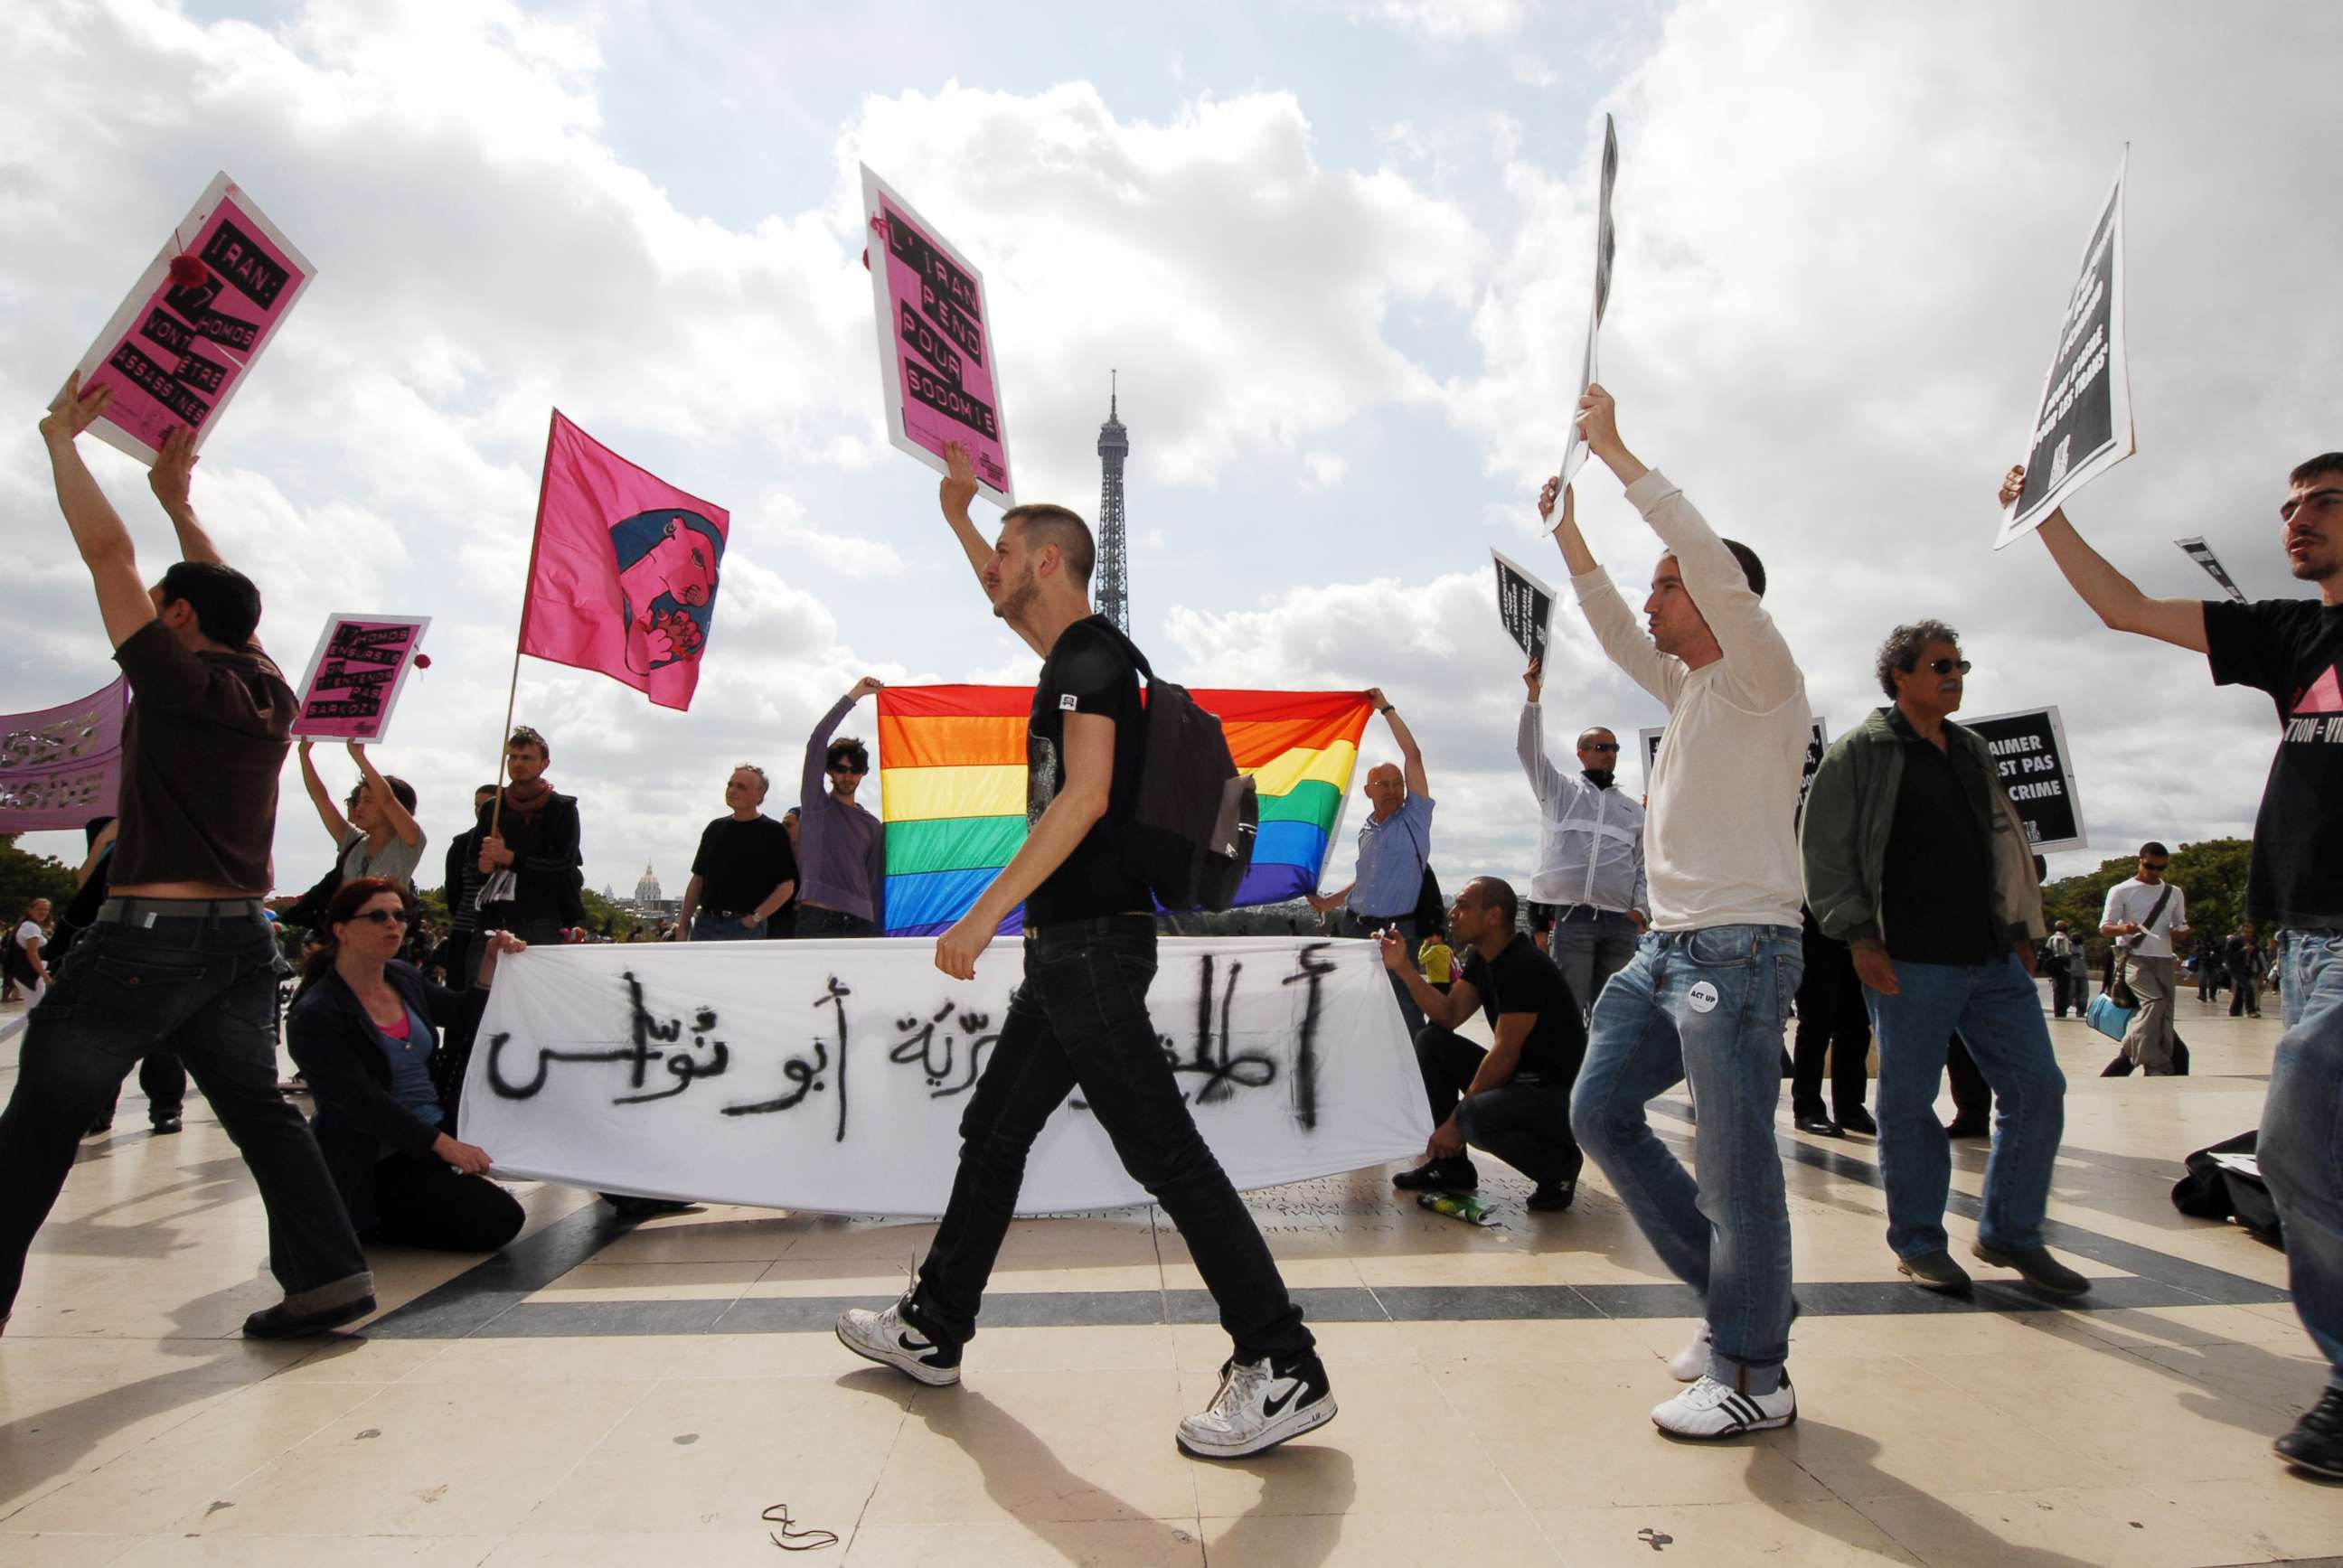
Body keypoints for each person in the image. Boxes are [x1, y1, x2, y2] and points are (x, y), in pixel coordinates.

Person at [836, 440, 1332, 1460]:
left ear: (1050, 564)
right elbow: (1002, 590)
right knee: (995, 1129)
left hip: (1090, 953)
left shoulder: (1089, 663)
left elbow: (1087, 796)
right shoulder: (1081, 655)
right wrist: (957, 516)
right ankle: (933, 1327)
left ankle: (1282, 1361)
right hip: (1074, 952)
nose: (994, 571)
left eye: (1008, 553)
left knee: (1166, 1155)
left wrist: (984, 914)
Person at [0, 383, 372, 1339]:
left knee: (36, 1128)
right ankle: (328, 1276)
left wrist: (61, 440)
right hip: (242, 943)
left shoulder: (172, 679)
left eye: (164, 607)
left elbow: (105, 554)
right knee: (261, 1112)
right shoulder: (271, 691)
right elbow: (229, 605)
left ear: (172, 621)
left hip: (144, 942)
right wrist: (180, 502)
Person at [2007, 452, 2343, 1478]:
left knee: (2292, 1142)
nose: (2295, 522)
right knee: (2303, 1155)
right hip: (2314, 938)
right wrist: (2045, 515)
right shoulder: (2294, 632)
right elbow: (2122, 608)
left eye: (2324, 504)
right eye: (2287, 508)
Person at [1545, 383, 1809, 1439]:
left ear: (1721, 595)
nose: (1653, 598)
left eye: (1670, 584)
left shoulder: (1760, 674)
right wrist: (1569, 535)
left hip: (1741, 953)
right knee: (1598, 1111)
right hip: (1666, 951)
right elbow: (1611, 625)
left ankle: (1756, 1368)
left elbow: (1694, 545)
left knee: (1737, 1170)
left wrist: (1616, 456)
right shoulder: (1691, 687)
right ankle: (1740, 1303)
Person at [1802, 621, 2084, 1297]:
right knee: (1907, 1103)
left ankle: (2012, 1232)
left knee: (2037, 1088)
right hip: (1909, 961)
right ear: (1900, 675)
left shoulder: (1970, 747)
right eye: (1940, 665)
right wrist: (1859, 936)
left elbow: (2002, 841)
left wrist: (2020, 924)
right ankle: (1921, 1242)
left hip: (1991, 957)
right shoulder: (1860, 752)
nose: (1955, 675)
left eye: (1960, 664)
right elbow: (1823, 850)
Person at [285, 878, 527, 1253]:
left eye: (400, 915)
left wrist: (490, 964)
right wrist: (445, 1146)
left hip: (434, 1127)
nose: (393, 925)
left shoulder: (402, 977)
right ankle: (370, 1217)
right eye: (378, 916)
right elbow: (363, 1104)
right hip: (379, 1152)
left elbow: (462, 1013)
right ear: (341, 930)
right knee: (499, 1220)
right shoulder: (317, 1014)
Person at [1378, 876, 1587, 1211]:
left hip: (1557, 1095)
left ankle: (1557, 1168)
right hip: (1522, 1080)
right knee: (1432, 1040)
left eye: (1463, 905)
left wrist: (1454, 1124)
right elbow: (1448, 1015)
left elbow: (1504, 1054)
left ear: (1493, 916)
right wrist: (1403, 967)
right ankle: (1451, 1168)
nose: (1452, 913)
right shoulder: (1485, 958)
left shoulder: (1523, 965)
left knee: (1474, 1118)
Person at [1518, 653, 1649, 1019]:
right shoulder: (1559, 791)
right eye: (1600, 747)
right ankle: (1568, 1074)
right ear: (1581, 753)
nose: (1609, 754)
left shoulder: (1632, 809)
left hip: (1619, 923)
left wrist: (1640, 910)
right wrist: (1533, 699)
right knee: (1568, 1009)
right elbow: (1528, 752)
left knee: (1614, 1014)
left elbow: (1642, 865)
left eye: (1614, 749)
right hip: (1572, 919)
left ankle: (1603, 1075)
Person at [1305, 692, 1434, 1040]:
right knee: (1353, 1007)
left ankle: (1422, 1079)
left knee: (1406, 1011)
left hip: (1397, 932)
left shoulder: (1415, 818)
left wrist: (1386, 709)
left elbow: (1413, 755)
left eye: (1398, 784)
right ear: (1367, 790)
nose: (1393, 790)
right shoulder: (1366, 829)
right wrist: (1330, 902)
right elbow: (1367, 880)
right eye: (1384, 784)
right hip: (1355, 928)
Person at [476, 727, 584, 948]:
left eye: (526, 758)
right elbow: (471, 857)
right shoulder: (493, 808)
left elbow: (564, 864)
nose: (517, 764)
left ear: (544, 764)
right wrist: (483, 864)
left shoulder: (561, 808)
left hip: (542, 916)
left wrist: (511, 858)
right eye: (512, 757)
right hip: (496, 914)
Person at [797, 681, 887, 936]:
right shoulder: (816, 806)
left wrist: (877, 933)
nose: (847, 776)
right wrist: (855, 695)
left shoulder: (872, 826)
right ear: (829, 771)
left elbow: (874, 884)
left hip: (861, 923)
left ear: (863, 774)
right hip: (818, 918)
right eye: (841, 769)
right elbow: (817, 741)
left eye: (854, 770)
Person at [678, 765, 798, 941]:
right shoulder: (714, 828)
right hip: (706, 924)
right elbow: (697, 881)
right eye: (730, 785)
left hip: (745, 927)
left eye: (741, 787)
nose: (732, 790)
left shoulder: (773, 832)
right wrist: (683, 924)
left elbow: (786, 886)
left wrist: (754, 919)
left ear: (759, 795)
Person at [2100, 842, 2190, 1075]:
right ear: (2138, 861)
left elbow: (2181, 923)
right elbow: (2105, 928)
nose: (2155, 872)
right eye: (2150, 866)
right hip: (2133, 958)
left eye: (2161, 868)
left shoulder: (2174, 892)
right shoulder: (2121, 890)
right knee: (2155, 1003)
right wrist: (2125, 929)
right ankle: (2155, 1063)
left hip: (2163, 957)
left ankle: (2136, 1058)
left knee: (2165, 1014)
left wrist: (2181, 932)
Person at [296, 738, 426, 892]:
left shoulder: (408, 843)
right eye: (359, 801)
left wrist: (359, 757)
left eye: (368, 801)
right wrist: (304, 755)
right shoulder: (352, 840)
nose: (359, 807)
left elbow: (387, 799)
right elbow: (321, 799)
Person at [1790, 907, 1875, 1137]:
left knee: (1856, 1025)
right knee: (1816, 1023)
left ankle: (1851, 1108)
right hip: (1816, 925)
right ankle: (1807, 1109)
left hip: (1856, 930)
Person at [7, 899, 50, 1009]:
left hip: (26, 973)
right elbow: (32, 954)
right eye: (39, 909)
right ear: (30, 910)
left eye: (46, 909)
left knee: (34, 1013)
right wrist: (44, 975)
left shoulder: (27, 925)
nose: (43, 912)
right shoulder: (31, 928)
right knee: (37, 1013)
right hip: (31, 975)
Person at [2042, 921, 2078, 1018]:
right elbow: (2065, 953)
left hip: (2053, 966)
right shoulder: (2065, 939)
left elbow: (2047, 950)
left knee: (2056, 990)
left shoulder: (2051, 938)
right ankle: (2061, 1012)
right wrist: (2073, 955)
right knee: (2063, 991)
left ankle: (2057, 1011)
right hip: (2063, 966)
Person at [2227, 925, 2264, 1019]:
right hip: (2236, 969)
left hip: (2247, 969)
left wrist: (2260, 971)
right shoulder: (2234, 942)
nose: (2248, 934)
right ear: (2242, 932)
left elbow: (2256, 958)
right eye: (2246, 932)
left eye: (2250, 932)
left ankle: (2234, 1011)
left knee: (2240, 990)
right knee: (2248, 987)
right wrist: (2243, 950)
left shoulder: (2253, 943)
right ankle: (2250, 1010)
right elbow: (2230, 957)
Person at [1418, 928, 1455, 993]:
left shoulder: (1434, 949)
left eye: (1432, 935)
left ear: (1440, 937)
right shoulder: (1448, 949)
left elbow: (1421, 960)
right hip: (1447, 983)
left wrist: (1425, 944)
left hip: (1435, 984)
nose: (1430, 938)